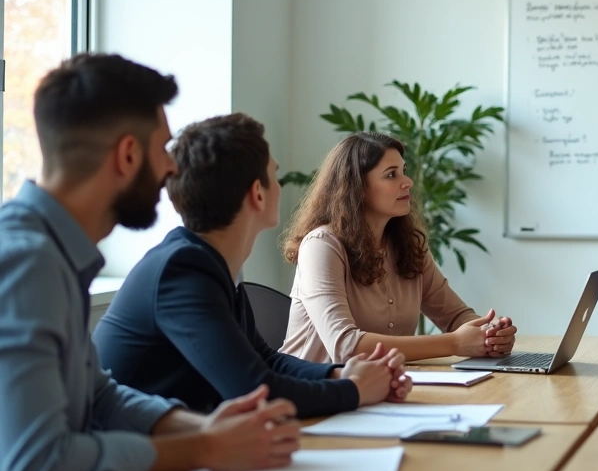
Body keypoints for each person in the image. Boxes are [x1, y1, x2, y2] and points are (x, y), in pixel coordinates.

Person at [0, 54, 300, 471]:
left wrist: (202, 428)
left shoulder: (55, 254)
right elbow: (37, 469)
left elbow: (99, 395)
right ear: (127, 156)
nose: (170, 168)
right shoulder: (26, 263)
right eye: (163, 148)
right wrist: (202, 448)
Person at [94, 114, 412, 419]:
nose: (279, 185)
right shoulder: (184, 270)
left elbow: (266, 359)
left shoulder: (208, 262)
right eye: (274, 174)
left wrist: (341, 373)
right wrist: (354, 390)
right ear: (257, 194)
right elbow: (253, 389)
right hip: (138, 461)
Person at [279, 132, 516, 363]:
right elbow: (345, 346)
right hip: (315, 395)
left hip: (384, 389)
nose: (408, 182)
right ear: (357, 187)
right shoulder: (321, 246)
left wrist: (490, 334)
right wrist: (454, 343)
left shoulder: (409, 246)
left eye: (403, 171)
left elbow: (455, 315)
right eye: (391, 174)